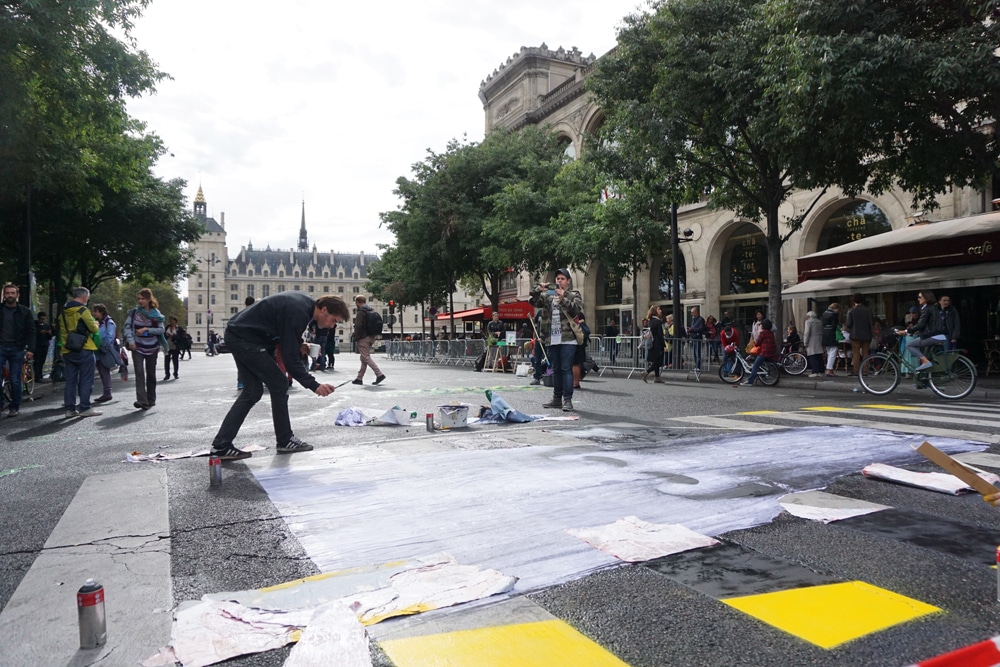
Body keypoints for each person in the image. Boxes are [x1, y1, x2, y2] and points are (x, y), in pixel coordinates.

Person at [208, 293, 351, 460]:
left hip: (239, 335)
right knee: (279, 384)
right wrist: (314, 385)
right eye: (334, 320)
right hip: (246, 340)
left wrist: (300, 346)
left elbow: (284, 335)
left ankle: (221, 446)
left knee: (252, 392)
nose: (332, 325)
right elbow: (290, 360)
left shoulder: (302, 306)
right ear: (324, 309)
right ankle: (284, 440)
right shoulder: (298, 311)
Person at [529, 268, 583, 412]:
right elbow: (533, 301)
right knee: (556, 369)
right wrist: (538, 288)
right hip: (551, 338)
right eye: (557, 279)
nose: (559, 281)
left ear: (568, 281)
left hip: (568, 338)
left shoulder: (573, 295)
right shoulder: (548, 295)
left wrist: (563, 297)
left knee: (566, 369)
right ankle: (556, 399)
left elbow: (576, 310)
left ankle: (568, 400)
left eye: (562, 279)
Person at [58, 287, 101, 417]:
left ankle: (69, 409)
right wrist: (96, 324)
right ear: (83, 297)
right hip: (84, 348)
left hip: (68, 349)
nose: (87, 300)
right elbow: (93, 329)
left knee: (70, 380)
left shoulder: (63, 313)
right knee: (86, 379)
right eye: (87, 297)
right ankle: (85, 407)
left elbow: (62, 332)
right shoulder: (83, 311)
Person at [124, 288, 166, 410]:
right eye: (138, 299)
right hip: (137, 346)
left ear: (148, 299)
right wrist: (131, 341)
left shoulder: (155, 314)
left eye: (143, 298)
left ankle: (151, 399)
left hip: (152, 346)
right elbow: (127, 327)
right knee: (139, 373)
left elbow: (161, 329)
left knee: (151, 374)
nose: (140, 301)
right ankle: (142, 400)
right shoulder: (134, 313)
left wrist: (147, 329)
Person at [0, 282, 36, 418]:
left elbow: (31, 332)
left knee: (15, 379)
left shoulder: (24, 312)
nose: (9, 295)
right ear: (4, 295)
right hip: (1, 347)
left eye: (12, 293)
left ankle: (14, 406)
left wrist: (30, 349)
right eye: (7, 293)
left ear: (17, 295)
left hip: (17, 348)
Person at [898, 290, 947, 373]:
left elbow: (921, 324)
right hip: (939, 335)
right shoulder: (934, 308)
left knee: (909, 344)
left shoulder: (927, 309)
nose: (918, 299)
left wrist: (906, 331)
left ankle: (926, 362)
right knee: (925, 355)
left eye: (920, 297)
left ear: (926, 298)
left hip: (932, 336)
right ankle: (921, 382)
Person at [92, 304, 124, 403]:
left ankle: (107, 392)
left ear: (101, 312)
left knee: (104, 371)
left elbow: (110, 336)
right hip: (96, 350)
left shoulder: (109, 323)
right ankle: (106, 392)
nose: (93, 313)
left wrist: (103, 345)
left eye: (95, 311)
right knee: (102, 371)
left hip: (103, 350)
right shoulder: (98, 322)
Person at [352, 295, 386, 386]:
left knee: (366, 357)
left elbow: (358, 326)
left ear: (358, 302)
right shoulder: (370, 310)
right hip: (372, 336)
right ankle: (359, 378)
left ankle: (379, 374)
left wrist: (356, 337)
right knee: (363, 358)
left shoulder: (361, 312)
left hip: (363, 337)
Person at [844, 293, 875, 373]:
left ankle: (856, 370)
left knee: (856, 354)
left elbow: (848, 324)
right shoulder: (868, 310)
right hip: (867, 335)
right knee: (865, 354)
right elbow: (872, 322)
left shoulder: (851, 310)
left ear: (854, 301)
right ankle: (865, 371)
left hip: (855, 335)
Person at [742, 319, 777, 386]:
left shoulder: (763, 333)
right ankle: (763, 376)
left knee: (755, 366)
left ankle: (750, 381)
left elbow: (758, 342)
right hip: (771, 352)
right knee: (761, 363)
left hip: (764, 352)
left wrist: (754, 345)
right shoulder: (771, 333)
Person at [641, 305, 665, 384]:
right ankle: (646, 372)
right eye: (659, 309)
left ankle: (657, 377)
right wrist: (664, 345)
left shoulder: (651, 321)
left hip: (652, 344)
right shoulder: (657, 322)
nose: (660, 310)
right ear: (655, 311)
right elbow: (660, 335)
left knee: (656, 361)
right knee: (657, 362)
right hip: (657, 344)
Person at [821, 303, 841, 377]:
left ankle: (829, 369)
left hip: (825, 334)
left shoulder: (824, 314)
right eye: (838, 309)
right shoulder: (834, 315)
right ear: (835, 308)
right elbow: (835, 325)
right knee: (833, 352)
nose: (838, 311)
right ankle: (829, 369)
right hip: (832, 335)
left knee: (829, 352)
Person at [802, 311, 824, 377]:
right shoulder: (820, 321)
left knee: (812, 356)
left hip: (811, 340)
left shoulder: (808, 322)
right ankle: (821, 371)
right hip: (819, 339)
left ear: (809, 316)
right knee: (819, 356)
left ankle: (815, 371)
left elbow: (807, 332)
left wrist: (805, 342)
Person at [572, 314, 592, 388]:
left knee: (575, 364)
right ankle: (576, 382)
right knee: (577, 364)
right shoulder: (583, 323)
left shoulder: (577, 322)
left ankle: (575, 383)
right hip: (581, 345)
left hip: (576, 345)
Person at [34, 312, 52, 383]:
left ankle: (40, 375)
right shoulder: (35, 325)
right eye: (41, 319)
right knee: (37, 361)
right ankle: (37, 376)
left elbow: (49, 337)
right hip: (37, 345)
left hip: (45, 345)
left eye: (44, 319)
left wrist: (49, 333)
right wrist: (40, 332)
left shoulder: (46, 326)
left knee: (42, 361)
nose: (42, 321)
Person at [687, 306, 706, 371]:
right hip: (693, 337)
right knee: (694, 353)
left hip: (697, 338)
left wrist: (692, 329)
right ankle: (696, 365)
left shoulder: (700, 319)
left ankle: (698, 366)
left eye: (692, 312)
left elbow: (701, 328)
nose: (691, 314)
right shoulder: (693, 319)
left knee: (697, 353)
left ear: (696, 312)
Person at [163, 316, 182, 381]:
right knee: (166, 361)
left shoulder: (179, 328)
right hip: (167, 346)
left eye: (172, 321)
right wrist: (167, 335)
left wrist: (173, 336)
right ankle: (167, 374)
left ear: (175, 321)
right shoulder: (167, 327)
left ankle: (175, 373)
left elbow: (180, 338)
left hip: (175, 346)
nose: (171, 322)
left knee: (175, 361)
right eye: (170, 321)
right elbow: (163, 335)